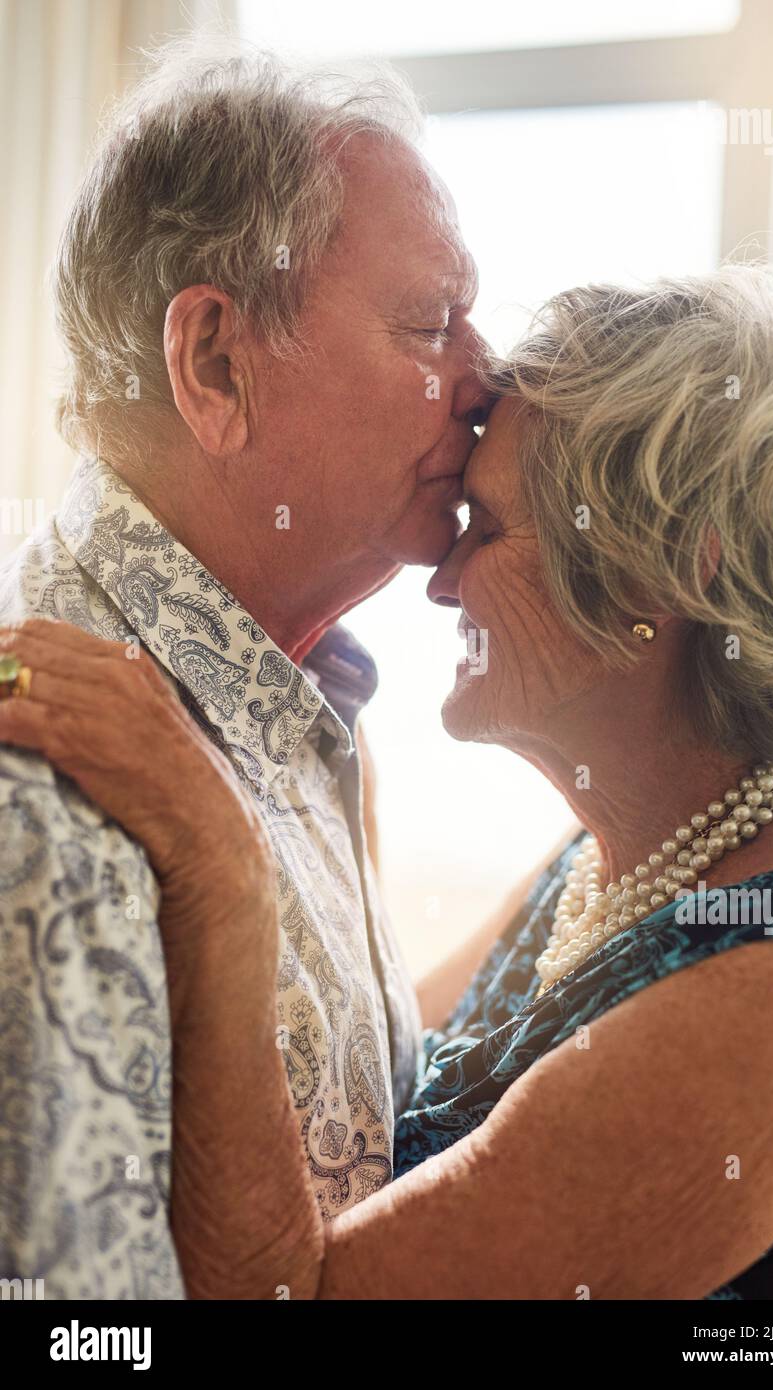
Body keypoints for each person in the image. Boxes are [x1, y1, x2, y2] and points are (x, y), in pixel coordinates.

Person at [4, 266, 773, 1299]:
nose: (444, 579)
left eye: (490, 529)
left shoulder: (772, 1004)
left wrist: (220, 864)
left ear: (664, 574)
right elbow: (380, 1078)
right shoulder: (622, 855)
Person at [0, 38, 492, 1297]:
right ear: (215, 363)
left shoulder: (294, 699)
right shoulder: (50, 796)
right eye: (432, 324)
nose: (487, 382)